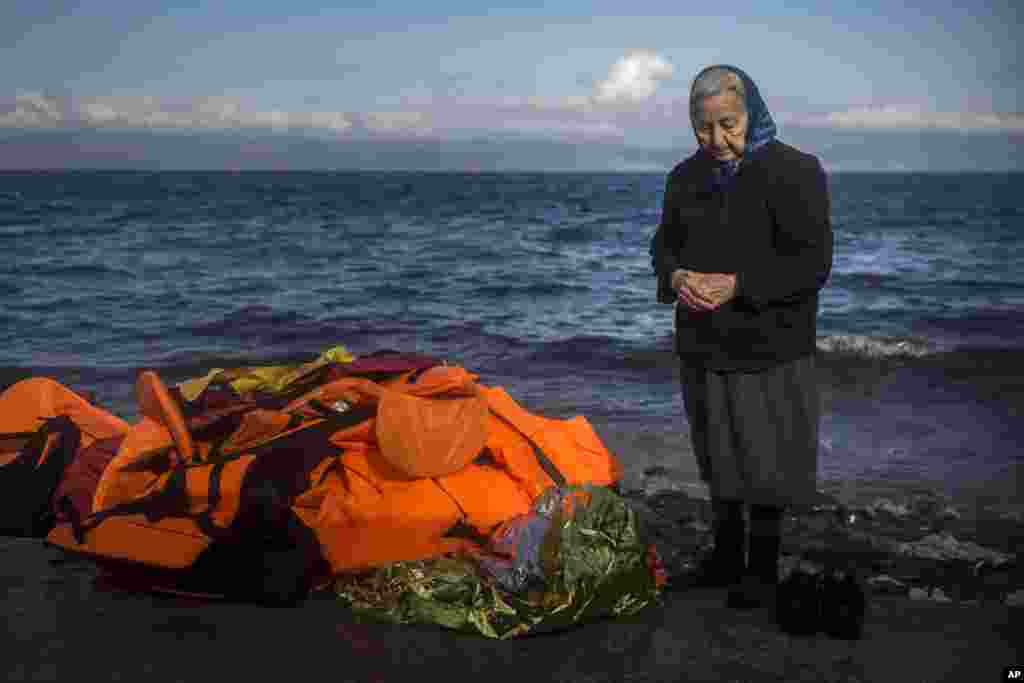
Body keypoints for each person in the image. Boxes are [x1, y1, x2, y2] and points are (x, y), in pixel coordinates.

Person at [649, 64, 833, 609]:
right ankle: (726, 557)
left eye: (727, 124)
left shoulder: (796, 170)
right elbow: (663, 249)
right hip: (703, 340)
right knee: (717, 454)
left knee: (766, 459)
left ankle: (762, 568)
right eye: (702, 128)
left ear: (750, 110)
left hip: (771, 339)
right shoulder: (683, 177)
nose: (717, 141)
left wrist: (738, 286)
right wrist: (677, 277)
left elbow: (813, 264)